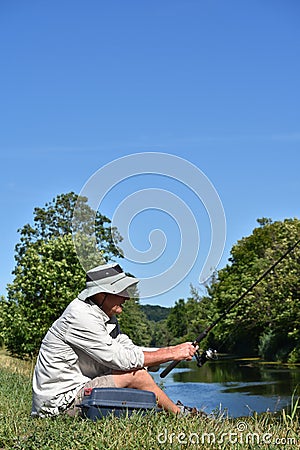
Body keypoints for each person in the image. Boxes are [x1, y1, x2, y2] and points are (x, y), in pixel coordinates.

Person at [31, 263, 199, 417]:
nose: (126, 298)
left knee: (138, 370)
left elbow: (129, 350)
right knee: (137, 375)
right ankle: (180, 415)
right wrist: (171, 353)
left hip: (78, 391)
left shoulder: (104, 315)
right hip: (56, 405)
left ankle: (173, 412)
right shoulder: (80, 316)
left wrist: (173, 350)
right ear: (102, 293)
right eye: (121, 291)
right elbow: (121, 360)